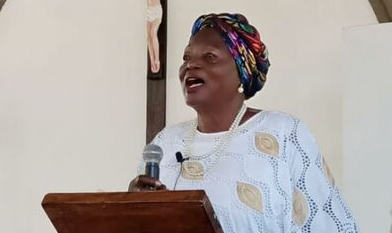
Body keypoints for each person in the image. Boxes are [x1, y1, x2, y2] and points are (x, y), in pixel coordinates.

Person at [129, 13, 359, 232]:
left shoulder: (283, 133)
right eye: (187, 58)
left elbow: (325, 224)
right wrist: (132, 209)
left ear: (242, 71)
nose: (190, 65)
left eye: (209, 57)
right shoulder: (166, 142)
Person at [146, 0, 162, 73]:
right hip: (147, 10)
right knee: (148, 36)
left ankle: (157, 60)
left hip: (156, 10)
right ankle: (152, 61)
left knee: (153, 33)